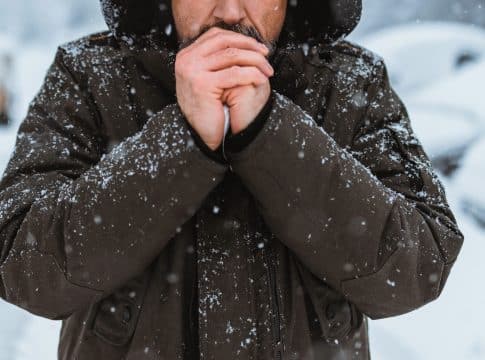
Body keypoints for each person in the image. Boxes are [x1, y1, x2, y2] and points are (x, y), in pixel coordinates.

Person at [0, 0, 464, 359]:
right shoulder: (88, 77)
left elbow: (417, 268)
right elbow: (24, 267)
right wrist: (184, 139)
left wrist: (268, 130)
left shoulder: (351, 84)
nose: (227, 12)